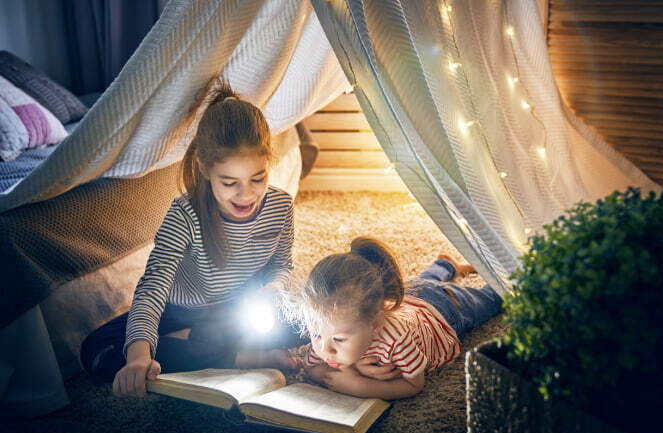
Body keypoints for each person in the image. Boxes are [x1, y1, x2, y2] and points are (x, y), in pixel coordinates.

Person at [81, 78, 306, 397]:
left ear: (268, 163)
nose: (246, 195)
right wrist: (139, 357)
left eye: (258, 178)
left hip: (242, 307)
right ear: (204, 168)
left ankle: (201, 344)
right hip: (183, 311)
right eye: (229, 183)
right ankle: (239, 357)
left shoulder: (280, 205)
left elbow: (282, 264)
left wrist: (274, 288)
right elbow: (152, 287)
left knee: (314, 321)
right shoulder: (184, 214)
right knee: (99, 351)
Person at [289, 236, 503, 400]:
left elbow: (414, 385)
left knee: (492, 299)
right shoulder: (328, 325)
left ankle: (506, 275)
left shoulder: (397, 339)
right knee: (420, 283)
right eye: (315, 334)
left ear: (374, 323)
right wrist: (351, 368)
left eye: (340, 340)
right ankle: (446, 265)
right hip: (411, 296)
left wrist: (360, 386)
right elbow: (312, 367)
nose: (325, 350)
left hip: (444, 310)